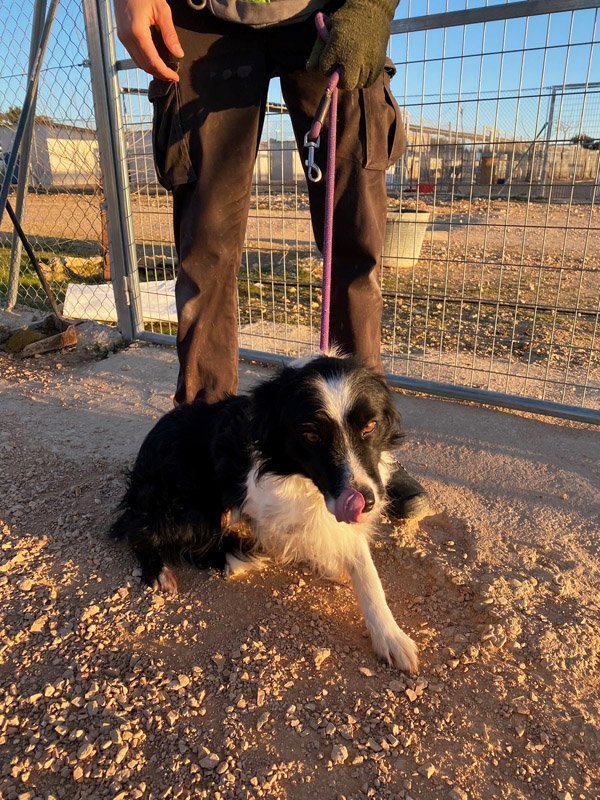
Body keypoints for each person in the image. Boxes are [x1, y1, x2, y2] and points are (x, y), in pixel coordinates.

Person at [113, 0, 431, 519]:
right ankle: (206, 441)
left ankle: (363, 448)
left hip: (330, 10)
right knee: (205, 252)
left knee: (354, 240)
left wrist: (371, 6)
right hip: (200, 15)